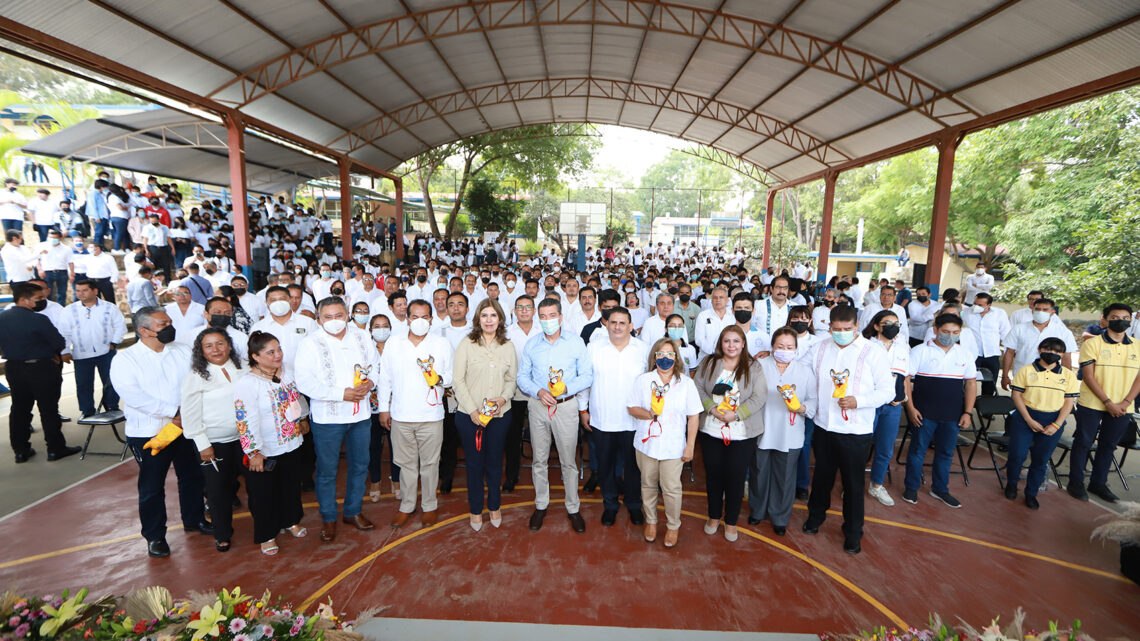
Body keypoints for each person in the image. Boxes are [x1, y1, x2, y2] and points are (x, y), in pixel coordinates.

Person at [109, 306, 209, 558]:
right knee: (152, 486)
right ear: (144, 331)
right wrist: (173, 411)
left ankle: (194, 518)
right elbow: (133, 396)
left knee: (192, 476)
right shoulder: (125, 359)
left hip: (186, 427)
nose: (170, 328)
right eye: (163, 325)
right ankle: (155, 536)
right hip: (151, 432)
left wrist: (187, 412)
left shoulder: (182, 351)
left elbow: (197, 381)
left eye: (169, 323)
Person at [801, 304, 893, 554]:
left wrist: (859, 401)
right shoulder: (819, 347)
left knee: (853, 485)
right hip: (824, 425)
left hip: (856, 431)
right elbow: (801, 372)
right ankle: (815, 517)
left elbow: (888, 391)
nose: (841, 333)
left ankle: (853, 532)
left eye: (847, 329)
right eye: (836, 329)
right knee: (821, 478)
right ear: (829, 327)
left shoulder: (872, 351)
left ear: (856, 327)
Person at [294, 296, 381, 542]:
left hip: (361, 414)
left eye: (339, 316)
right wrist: (340, 394)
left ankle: (352, 511)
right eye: (328, 317)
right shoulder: (310, 343)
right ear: (319, 318)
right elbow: (304, 380)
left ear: (347, 315)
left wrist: (371, 383)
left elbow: (375, 365)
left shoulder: (361, 336)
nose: (334, 321)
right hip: (328, 417)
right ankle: (329, 517)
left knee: (360, 465)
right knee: (327, 470)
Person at [516, 298, 592, 533]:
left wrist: (567, 387)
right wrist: (537, 390)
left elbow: (587, 375)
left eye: (552, 316)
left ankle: (573, 507)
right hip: (538, 406)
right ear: (539, 319)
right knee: (539, 459)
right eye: (544, 316)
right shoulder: (532, 344)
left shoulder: (576, 343)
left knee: (568, 460)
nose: (548, 320)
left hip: (566, 406)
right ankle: (541, 504)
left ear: (560, 317)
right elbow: (522, 377)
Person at [376, 299, 452, 528]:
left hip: (431, 415)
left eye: (425, 317)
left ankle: (429, 505)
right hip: (401, 415)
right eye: (415, 317)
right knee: (405, 464)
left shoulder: (441, 344)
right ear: (407, 318)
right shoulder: (394, 343)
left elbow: (451, 376)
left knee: (430, 464)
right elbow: (384, 379)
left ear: (431, 319)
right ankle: (407, 505)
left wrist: (437, 378)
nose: (420, 321)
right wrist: (383, 409)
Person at [234, 331, 309, 554]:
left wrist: (303, 418)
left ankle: (291, 520)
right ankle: (267, 534)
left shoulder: (286, 374)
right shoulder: (248, 383)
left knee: (290, 486)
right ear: (255, 356)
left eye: (279, 349)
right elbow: (245, 419)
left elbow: (298, 398)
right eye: (271, 352)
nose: (278, 355)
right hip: (265, 449)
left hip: (292, 442)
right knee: (264, 493)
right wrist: (253, 451)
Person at [626, 336, 702, 547]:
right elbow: (631, 407)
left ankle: (672, 525)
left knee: (671, 488)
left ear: (676, 358)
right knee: (648, 484)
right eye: (661, 354)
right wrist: (648, 414)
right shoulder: (643, 380)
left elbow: (693, 415)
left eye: (670, 354)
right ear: (654, 357)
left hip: (673, 445)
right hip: (646, 443)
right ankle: (651, 521)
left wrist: (690, 445)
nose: (665, 358)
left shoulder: (685, 383)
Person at [694, 325, 767, 542]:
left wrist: (737, 415)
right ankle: (714, 516)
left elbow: (759, 397)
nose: (731, 345)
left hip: (741, 433)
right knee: (714, 475)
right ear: (721, 343)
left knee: (735, 478)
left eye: (736, 341)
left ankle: (732, 521)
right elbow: (697, 387)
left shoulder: (754, 367)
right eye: (727, 341)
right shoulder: (708, 363)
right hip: (712, 430)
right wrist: (712, 408)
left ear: (743, 343)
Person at [452, 298, 517, 531]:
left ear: (500, 319)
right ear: (478, 319)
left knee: (494, 462)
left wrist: (503, 398)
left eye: (493, 315)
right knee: (474, 464)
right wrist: (473, 410)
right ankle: (476, 509)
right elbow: (457, 381)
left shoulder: (507, 346)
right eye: (485, 315)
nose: (489, 320)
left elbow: (511, 380)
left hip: (499, 416)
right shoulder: (467, 344)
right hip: (470, 417)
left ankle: (495, 506)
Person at [581, 306, 649, 527]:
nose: (618, 327)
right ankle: (610, 505)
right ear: (606, 324)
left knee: (633, 468)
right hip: (602, 418)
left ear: (631, 326)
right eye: (613, 322)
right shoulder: (593, 348)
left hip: (634, 421)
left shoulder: (643, 349)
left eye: (622, 323)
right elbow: (585, 380)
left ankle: (633, 505)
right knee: (606, 467)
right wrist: (583, 409)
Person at [0, 282, 81, 463]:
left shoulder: (3, 318)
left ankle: (20, 450)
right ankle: (55, 448)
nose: (41, 302)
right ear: (24, 300)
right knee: (48, 409)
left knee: (19, 409)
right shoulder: (38, 319)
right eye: (38, 299)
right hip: (41, 368)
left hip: (13, 368)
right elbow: (58, 342)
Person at [902, 313, 977, 509]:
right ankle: (911, 487)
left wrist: (967, 412)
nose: (950, 336)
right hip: (923, 413)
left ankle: (940, 489)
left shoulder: (965, 354)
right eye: (945, 332)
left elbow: (970, 384)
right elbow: (905, 381)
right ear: (935, 330)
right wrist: (910, 408)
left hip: (952, 415)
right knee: (917, 451)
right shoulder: (919, 351)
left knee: (945, 453)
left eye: (955, 332)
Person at [1068, 303, 1140, 503]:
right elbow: (1089, 377)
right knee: (1083, 443)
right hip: (1092, 403)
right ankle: (1076, 482)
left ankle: (1098, 483)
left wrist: (1125, 402)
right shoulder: (1093, 344)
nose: (1121, 321)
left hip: (1124, 406)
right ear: (1106, 319)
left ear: (1131, 320)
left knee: (1108, 445)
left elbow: (1139, 379)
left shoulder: (1137, 345)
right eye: (1116, 317)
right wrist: (1108, 402)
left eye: (1126, 317)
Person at [181, 328, 245, 552]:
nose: (216, 349)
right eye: (209, 346)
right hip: (214, 443)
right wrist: (202, 444)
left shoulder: (243, 367)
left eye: (220, 343)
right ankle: (222, 533)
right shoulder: (195, 377)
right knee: (218, 492)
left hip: (246, 440)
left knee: (258, 485)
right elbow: (189, 415)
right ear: (201, 351)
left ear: (229, 345)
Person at [748, 328, 817, 535]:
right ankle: (757, 511)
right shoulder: (759, 365)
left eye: (789, 347)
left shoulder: (804, 371)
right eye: (780, 346)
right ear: (772, 347)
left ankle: (779, 517)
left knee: (785, 476)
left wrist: (802, 408)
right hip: (762, 427)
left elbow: (813, 400)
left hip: (791, 430)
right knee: (759, 472)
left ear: (796, 349)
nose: (784, 350)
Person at [1004, 337, 1079, 510]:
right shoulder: (1026, 370)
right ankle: (1012, 484)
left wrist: (1057, 424)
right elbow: (1016, 395)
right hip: (1025, 417)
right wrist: (1029, 420)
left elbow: (1069, 402)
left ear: (1062, 354)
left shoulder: (1068, 375)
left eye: (1057, 351)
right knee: (1017, 455)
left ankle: (1031, 493)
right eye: (1048, 349)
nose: (1052, 354)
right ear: (1039, 350)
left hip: (1053, 420)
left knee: (1040, 459)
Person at [863, 310, 909, 507]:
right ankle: (852, 485)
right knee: (861, 446)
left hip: (892, 406)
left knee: (885, 448)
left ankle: (876, 485)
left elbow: (905, 377)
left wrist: (904, 397)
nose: (893, 326)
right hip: (870, 404)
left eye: (896, 323)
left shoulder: (903, 347)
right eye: (887, 322)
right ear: (876, 325)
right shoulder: (865, 346)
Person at [61, 279, 126, 418]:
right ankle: (87, 411)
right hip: (81, 354)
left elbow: (120, 326)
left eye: (85, 290)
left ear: (95, 291)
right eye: (78, 290)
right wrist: (65, 351)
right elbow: (64, 332)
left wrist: (114, 343)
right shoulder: (69, 310)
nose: (81, 293)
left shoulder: (109, 307)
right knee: (84, 384)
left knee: (110, 381)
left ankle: (112, 407)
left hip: (106, 352)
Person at [503, 294, 541, 492]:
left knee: (540, 436)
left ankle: (540, 477)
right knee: (513, 435)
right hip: (515, 392)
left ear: (534, 311)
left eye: (528, 307)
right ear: (515, 311)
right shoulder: (507, 333)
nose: (524, 310)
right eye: (520, 307)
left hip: (539, 392)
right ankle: (511, 475)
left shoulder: (543, 330)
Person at [1001, 298, 1078, 389]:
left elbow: (1066, 357)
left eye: (1045, 310)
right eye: (1037, 309)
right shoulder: (1019, 329)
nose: (1040, 312)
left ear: (1052, 313)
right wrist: (1004, 376)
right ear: (1033, 311)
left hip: (1051, 379)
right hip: (1022, 377)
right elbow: (1009, 353)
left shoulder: (1063, 332)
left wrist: (1067, 380)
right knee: (1019, 402)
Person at [366, 314, 400, 502]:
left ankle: (396, 480)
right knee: (373, 447)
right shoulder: (365, 349)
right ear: (370, 331)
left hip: (395, 405)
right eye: (377, 326)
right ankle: (375, 481)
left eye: (385, 325)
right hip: (371, 406)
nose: (381, 329)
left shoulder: (397, 347)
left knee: (396, 445)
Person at [249, 285, 317, 376]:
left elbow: (317, 351)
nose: (278, 303)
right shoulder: (258, 327)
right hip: (272, 380)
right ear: (267, 303)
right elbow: (254, 356)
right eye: (273, 300)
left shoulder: (308, 323)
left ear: (289, 300)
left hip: (305, 377)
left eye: (282, 299)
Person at [963, 293, 1010, 395]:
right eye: (975, 303)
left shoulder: (999, 313)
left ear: (989, 305)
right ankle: (966, 407)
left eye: (980, 305)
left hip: (992, 355)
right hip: (972, 355)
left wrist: (1009, 352)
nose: (976, 306)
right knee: (967, 383)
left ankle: (986, 408)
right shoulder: (966, 312)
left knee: (990, 385)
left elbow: (1006, 333)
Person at [695, 286, 733, 357]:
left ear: (727, 300)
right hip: (707, 357)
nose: (718, 300)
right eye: (715, 297)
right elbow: (699, 339)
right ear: (711, 300)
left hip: (729, 357)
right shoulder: (703, 315)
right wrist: (713, 351)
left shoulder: (733, 316)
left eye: (721, 297)